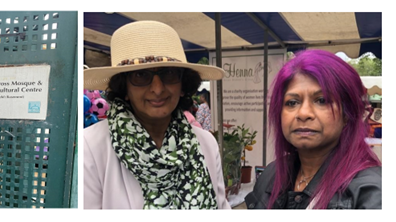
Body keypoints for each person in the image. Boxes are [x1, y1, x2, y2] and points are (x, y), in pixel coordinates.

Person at [83, 20, 231, 209]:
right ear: (124, 88)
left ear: (183, 84)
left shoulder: (206, 143)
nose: (158, 88)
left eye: (169, 73)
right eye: (141, 75)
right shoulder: (92, 148)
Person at [245, 49, 381, 209]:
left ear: (347, 114)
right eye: (292, 102)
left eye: (322, 100)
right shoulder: (269, 176)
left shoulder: (372, 193)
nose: (303, 113)